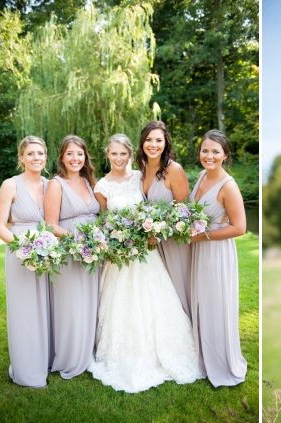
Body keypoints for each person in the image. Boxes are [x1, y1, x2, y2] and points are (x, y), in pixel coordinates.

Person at [87, 134, 203, 393]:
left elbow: (155, 206)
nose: (118, 159)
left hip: (147, 253)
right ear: (107, 154)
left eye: (123, 154)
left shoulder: (140, 178)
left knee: (155, 301)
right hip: (120, 257)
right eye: (113, 154)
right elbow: (104, 221)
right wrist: (114, 241)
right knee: (122, 304)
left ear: (130, 154)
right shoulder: (102, 186)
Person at [189, 130, 248, 387]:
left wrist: (201, 237)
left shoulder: (229, 186)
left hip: (216, 251)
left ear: (225, 154)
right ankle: (201, 355)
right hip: (198, 250)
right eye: (205, 150)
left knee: (216, 304)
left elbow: (239, 228)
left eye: (215, 151)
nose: (209, 156)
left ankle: (221, 362)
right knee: (201, 301)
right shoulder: (202, 176)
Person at [0, 136, 53, 388]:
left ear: (46, 157)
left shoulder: (51, 185)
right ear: (21, 158)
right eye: (30, 154)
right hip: (21, 252)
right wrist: (24, 249)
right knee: (24, 309)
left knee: (47, 306)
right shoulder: (11, 184)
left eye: (40, 153)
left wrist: (47, 249)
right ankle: (26, 368)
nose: (36, 158)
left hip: (48, 252)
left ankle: (46, 359)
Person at [44, 135, 100, 380]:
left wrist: (97, 240)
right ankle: (70, 356)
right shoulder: (56, 184)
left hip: (93, 252)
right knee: (72, 305)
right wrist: (79, 240)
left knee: (91, 302)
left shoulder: (90, 182)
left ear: (85, 156)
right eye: (70, 153)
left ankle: (89, 351)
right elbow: (50, 225)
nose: (75, 158)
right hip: (70, 251)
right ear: (62, 157)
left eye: (80, 153)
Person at [137, 121, 192, 318]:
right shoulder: (141, 169)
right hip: (151, 247)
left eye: (158, 140)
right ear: (142, 143)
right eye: (149, 140)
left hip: (173, 242)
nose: (153, 145)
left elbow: (184, 212)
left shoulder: (174, 169)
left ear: (165, 143)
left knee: (179, 292)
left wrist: (161, 230)